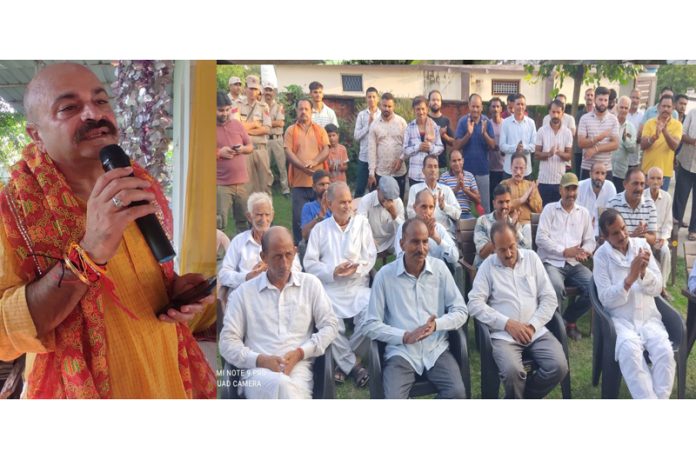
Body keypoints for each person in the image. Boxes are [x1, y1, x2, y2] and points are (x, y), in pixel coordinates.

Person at [0, 62, 215, 398]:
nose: (93, 113)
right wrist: (89, 252)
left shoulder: (137, 183)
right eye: (69, 107)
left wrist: (171, 292)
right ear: (36, 135)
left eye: (101, 101)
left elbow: (137, 283)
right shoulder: (11, 211)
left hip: (164, 371)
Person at [219, 226, 338, 399]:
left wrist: (300, 353)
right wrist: (260, 360)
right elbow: (227, 342)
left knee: (286, 386)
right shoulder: (243, 293)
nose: (284, 263)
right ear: (264, 257)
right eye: (277, 257)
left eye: (288, 255)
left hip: (299, 369)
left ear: (295, 252)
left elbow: (330, 325)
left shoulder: (310, 285)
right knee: (282, 385)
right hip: (257, 372)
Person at [363, 218, 468, 399]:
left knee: (457, 393)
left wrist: (436, 325)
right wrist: (405, 336)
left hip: (436, 349)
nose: (421, 248)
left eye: (425, 241)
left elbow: (461, 311)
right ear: (402, 243)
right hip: (401, 353)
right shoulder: (385, 276)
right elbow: (371, 324)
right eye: (414, 242)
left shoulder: (440, 269)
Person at [467, 221, 568, 399]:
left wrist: (532, 326)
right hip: (504, 336)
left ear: (516, 240)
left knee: (559, 366)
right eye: (502, 249)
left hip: (535, 332)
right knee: (512, 372)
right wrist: (507, 324)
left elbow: (549, 298)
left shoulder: (531, 258)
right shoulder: (487, 267)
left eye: (511, 247)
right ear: (493, 248)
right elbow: (474, 303)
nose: (508, 254)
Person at [593, 210, 675, 399]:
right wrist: (629, 279)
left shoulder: (641, 245)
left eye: (623, 228)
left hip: (648, 318)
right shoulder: (601, 257)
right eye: (615, 233)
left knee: (665, 353)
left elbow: (658, 287)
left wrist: (644, 273)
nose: (622, 235)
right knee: (630, 353)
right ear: (605, 237)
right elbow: (605, 298)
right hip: (622, 321)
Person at [304, 182, 377, 387]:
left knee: (372, 317)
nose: (347, 206)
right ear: (329, 203)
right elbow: (309, 263)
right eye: (342, 202)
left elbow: (370, 256)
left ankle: (345, 361)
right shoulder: (320, 229)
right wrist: (332, 272)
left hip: (357, 286)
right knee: (328, 324)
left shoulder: (361, 223)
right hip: (330, 289)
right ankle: (355, 366)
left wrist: (358, 268)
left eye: (349, 201)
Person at [536, 173, 596, 340]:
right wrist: (563, 251)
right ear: (560, 190)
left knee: (595, 287)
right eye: (568, 189)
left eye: (574, 189)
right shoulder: (549, 210)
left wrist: (585, 251)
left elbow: (590, 240)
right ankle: (554, 328)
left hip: (574, 264)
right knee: (555, 286)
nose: (571, 193)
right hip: (552, 262)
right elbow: (540, 239)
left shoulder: (583, 213)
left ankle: (568, 320)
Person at [218, 193, 302, 301]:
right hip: (246, 299)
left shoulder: (283, 240)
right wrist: (247, 277)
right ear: (249, 216)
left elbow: (297, 271)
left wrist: (273, 269)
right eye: (259, 215)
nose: (264, 219)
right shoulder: (239, 241)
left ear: (272, 215)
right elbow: (224, 274)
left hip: (277, 298)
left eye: (267, 214)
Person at [284, 98, 330, 243]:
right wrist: (302, 166)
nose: (303, 112)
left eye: (306, 109)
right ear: (297, 111)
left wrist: (315, 162)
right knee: (299, 218)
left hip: (319, 185)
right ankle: (299, 248)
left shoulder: (320, 130)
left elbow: (326, 149)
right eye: (300, 109)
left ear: (311, 112)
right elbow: (288, 152)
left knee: (323, 215)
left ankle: (322, 244)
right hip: (299, 184)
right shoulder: (291, 130)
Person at [216, 91, 253, 235]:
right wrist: (219, 153)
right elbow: (201, 150)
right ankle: (218, 256)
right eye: (220, 110)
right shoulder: (206, 126)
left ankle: (242, 253)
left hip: (242, 183)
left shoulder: (237, 124)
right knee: (219, 223)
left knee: (244, 221)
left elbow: (250, 147)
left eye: (227, 110)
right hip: (221, 184)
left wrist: (242, 149)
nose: (224, 113)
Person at [454, 94, 496, 213]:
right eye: (473, 106)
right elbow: (456, 146)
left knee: (484, 206)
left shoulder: (486, 121)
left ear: (482, 107)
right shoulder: (463, 122)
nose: (475, 109)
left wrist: (484, 134)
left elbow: (493, 145)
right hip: (466, 171)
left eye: (478, 107)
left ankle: (485, 230)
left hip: (483, 171)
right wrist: (468, 133)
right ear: (469, 106)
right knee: (466, 205)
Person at [474, 184, 531, 268]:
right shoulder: (482, 221)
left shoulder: (513, 223)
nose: (504, 206)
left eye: (507, 202)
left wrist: (513, 228)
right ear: (494, 203)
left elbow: (526, 250)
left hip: (508, 267)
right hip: (487, 268)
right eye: (500, 202)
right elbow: (482, 254)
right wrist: (502, 226)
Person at [396, 190, 459, 265]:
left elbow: (454, 258)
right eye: (424, 207)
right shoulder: (405, 227)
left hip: (436, 273)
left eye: (431, 207)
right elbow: (400, 257)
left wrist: (437, 238)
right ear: (415, 207)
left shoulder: (439, 229)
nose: (428, 211)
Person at [406, 155, 461, 235]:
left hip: (445, 233)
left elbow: (457, 214)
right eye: (429, 166)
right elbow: (410, 214)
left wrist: (444, 207)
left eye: (435, 167)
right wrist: (424, 214)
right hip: (422, 233)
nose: (433, 170)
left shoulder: (446, 190)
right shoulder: (415, 189)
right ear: (423, 171)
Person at [368, 93, 408, 198]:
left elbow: (407, 145)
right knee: (381, 201)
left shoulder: (402, 122)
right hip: (381, 172)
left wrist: (401, 159)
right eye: (384, 106)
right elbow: (372, 150)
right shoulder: (374, 125)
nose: (387, 108)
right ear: (380, 105)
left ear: (393, 106)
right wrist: (371, 173)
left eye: (389, 106)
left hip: (399, 171)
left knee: (398, 200)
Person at [607, 167, 658, 247]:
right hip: (619, 252)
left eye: (642, 184)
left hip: (642, 252)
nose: (639, 188)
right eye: (635, 183)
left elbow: (653, 239)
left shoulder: (650, 205)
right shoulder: (613, 204)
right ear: (625, 184)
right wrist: (633, 237)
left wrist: (643, 235)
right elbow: (609, 239)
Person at [239, 75, 273, 195]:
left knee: (265, 182)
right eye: (250, 88)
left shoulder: (264, 107)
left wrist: (246, 129)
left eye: (255, 89)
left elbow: (267, 129)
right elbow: (236, 127)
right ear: (245, 89)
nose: (252, 92)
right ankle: (249, 212)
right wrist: (255, 124)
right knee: (247, 184)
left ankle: (267, 211)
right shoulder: (237, 105)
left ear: (259, 90)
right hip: (245, 150)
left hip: (260, 149)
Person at [577, 86, 620, 180]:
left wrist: (595, 149)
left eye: (605, 100)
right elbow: (581, 143)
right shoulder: (585, 118)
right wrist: (598, 138)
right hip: (587, 168)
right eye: (600, 99)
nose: (603, 103)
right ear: (594, 99)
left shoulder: (613, 119)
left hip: (606, 168)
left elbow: (615, 144)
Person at [640, 94, 682, 191]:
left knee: (661, 203)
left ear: (673, 108)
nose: (666, 109)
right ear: (659, 107)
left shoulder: (677, 125)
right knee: (644, 203)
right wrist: (654, 137)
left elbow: (674, 146)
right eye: (663, 106)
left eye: (669, 107)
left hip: (664, 174)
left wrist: (664, 131)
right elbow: (642, 145)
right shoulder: (649, 123)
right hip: (648, 171)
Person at [535, 99, 573, 205]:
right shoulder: (542, 131)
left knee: (559, 211)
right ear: (549, 112)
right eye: (553, 112)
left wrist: (559, 153)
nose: (555, 115)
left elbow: (569, 156)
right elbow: (537, 154)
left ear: (562, 113)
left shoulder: (567, 132)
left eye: (558, 112)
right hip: (544, 180)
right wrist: (548, 154)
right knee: (543, 211)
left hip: (560, 181)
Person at [356, 175, 405, 255]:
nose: (388, 201)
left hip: (391, 239)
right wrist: (369, 239)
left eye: (391, 199)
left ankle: (400, 265)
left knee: (404, 243)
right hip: (372, 239)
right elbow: (361, 225)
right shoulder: (366, 201)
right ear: (378, 190)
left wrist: (394, 215)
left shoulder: (397, 201)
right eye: (386, 197)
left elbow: (401, 230)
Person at [644, 167, 673, 299]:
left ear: (662, 181)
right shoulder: (642, 196)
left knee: (666, 252)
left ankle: (663, 286)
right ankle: (650, 284)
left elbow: (668, 222)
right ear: (647, 180)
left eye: (659, 178)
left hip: (660, 237)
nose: (655, 181)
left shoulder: (667, 197)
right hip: (645, 237)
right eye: (652, 178)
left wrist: (663, 238)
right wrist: (651, 239)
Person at [402, 95, 444, 185]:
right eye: (418, 109)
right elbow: (405, 150)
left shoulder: (434, 126)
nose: (421, 112)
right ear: (413, 110)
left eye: (423, 109)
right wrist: (418, 147)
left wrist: (430, 148)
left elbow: (440, 148)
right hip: (415, 175)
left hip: (431, 175)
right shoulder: (409, 127)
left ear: (427, 109)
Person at [262, 81, 290, 196]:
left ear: (274, 92)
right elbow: (258, 122)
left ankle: (285, 190)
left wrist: (265, 123)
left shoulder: (279, 106)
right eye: (266, 90)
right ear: (263, 91)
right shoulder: (260, 105)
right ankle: (266, 189)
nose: (268, 92)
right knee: (265, 166)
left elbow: (280, 123)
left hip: (277, 139)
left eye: (270, 90)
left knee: (282, 165)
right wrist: (270, 123)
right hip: (264, 138)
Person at [500, 93, 536, 178]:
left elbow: (534, 146)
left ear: (525, 106)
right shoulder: (505, 122)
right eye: (518, 104)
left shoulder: (531, 123)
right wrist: (514, 148)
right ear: (513, 106)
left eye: (522, 104)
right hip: (509, 170)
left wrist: (524, 148)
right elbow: (502, 146)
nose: (520, 107)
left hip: (526, 171)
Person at [576, 161, 617, 237]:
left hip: (604, 232)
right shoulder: (580, 186)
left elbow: (612, 214)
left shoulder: (610, 187)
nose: (599, 177)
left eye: (602, 173)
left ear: (606, 175)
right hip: (581, 229)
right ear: (590, 174)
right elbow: (575, 212)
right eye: (597, 173)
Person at [353, 87, 381, 197]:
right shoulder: (361, 115)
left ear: (377, 98)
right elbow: (356, 136)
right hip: (364, 157)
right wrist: (368, 126)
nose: (371, 99)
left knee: (375, 190)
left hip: (378, 158)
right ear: (366, 99)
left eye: (374, 97)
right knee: (360, 189)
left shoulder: (382, 114)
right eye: (369, 97)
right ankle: (356, 213)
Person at [500, 153, 542, 224]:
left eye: (521, 168)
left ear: (525, 169)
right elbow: (502, 208)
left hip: (528, 223)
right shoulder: (504, 184)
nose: (518, 172)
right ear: (511, 167)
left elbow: (539, 209)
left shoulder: (530, 185)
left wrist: (530, 196)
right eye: (515, 168)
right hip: (510, 223)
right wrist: (521, 200)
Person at [674, 108, 696, 240]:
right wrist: (693, 141)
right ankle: (675, 227)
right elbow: (682, 134)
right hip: (686, 162)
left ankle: (693, 229)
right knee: (680, 197)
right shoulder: (693, 113)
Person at [439, 150, 480, 220]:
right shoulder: (443, 177)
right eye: (454, 161)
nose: (457, 163)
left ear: (463, 161)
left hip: (466, 214)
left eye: (459, 160)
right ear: (450, 163)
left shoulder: (470, 176)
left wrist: (465, 189)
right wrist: (456, 188)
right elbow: (441, 199)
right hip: (449, 214)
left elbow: (478, 199)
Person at [610, 96, 639, 193]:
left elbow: (632, 149)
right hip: (607, 168)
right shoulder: (609, 122)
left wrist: (625, 139)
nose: (623, 110)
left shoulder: (631, 128)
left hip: (621, 172)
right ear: (617, 107)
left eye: (626, 108)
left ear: (629, 109)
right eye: (621, 107)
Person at [300, 170, 332, 242]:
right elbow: (304, 234)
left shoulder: (336, 205)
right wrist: (320, 217)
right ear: (314, 187)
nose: (325, 188)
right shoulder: (308, 207)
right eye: (321, 184)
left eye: (328, 184)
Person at [428, 90, 455, 169]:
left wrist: (444, 136)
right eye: (433, 100)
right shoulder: (425, 119)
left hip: (441, 165)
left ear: (441, 102)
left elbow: (453, 142)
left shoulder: (446, 120)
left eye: (438, 100)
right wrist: (438, 134)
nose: (435, 102)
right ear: (429, 102)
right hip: (426, 164)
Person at [488, 97, 506, 206]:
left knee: (503, 195)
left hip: (504, 167)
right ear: (489, 109)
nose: (495, 109)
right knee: (492, 196)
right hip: (490, 167)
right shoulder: (487, 124)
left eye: (497, 106)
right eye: (493, 106)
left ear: (501, 109)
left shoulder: (506, 124)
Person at [573, 87, 595, 176]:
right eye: (588, 95)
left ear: (594, 97)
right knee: (579, 175)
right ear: (584, 97)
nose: (589, 97)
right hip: (579, 150)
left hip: (592, 149)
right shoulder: (579, 114)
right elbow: (578, 132)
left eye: (591, 95)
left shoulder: (597, 114)